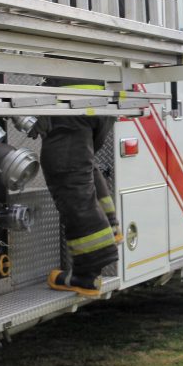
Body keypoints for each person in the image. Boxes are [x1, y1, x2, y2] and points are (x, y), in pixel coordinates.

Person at [36, 80, 121, 297]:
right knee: (81, 170)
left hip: (70, 100)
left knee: (70, 179)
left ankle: (87, 274)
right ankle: (111, 229)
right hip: (96, 99)